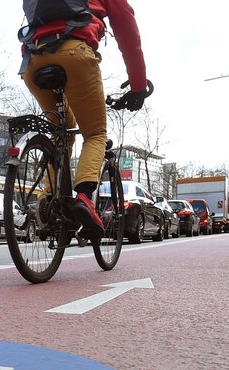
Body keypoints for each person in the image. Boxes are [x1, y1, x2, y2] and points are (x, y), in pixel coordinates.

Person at [18, 0, 148, 238]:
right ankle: (84, 198)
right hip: (75, 52)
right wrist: (138, 86)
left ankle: (50, 199)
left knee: (62, 130)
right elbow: (128, 32)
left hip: (33, 61)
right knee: (95, 133)